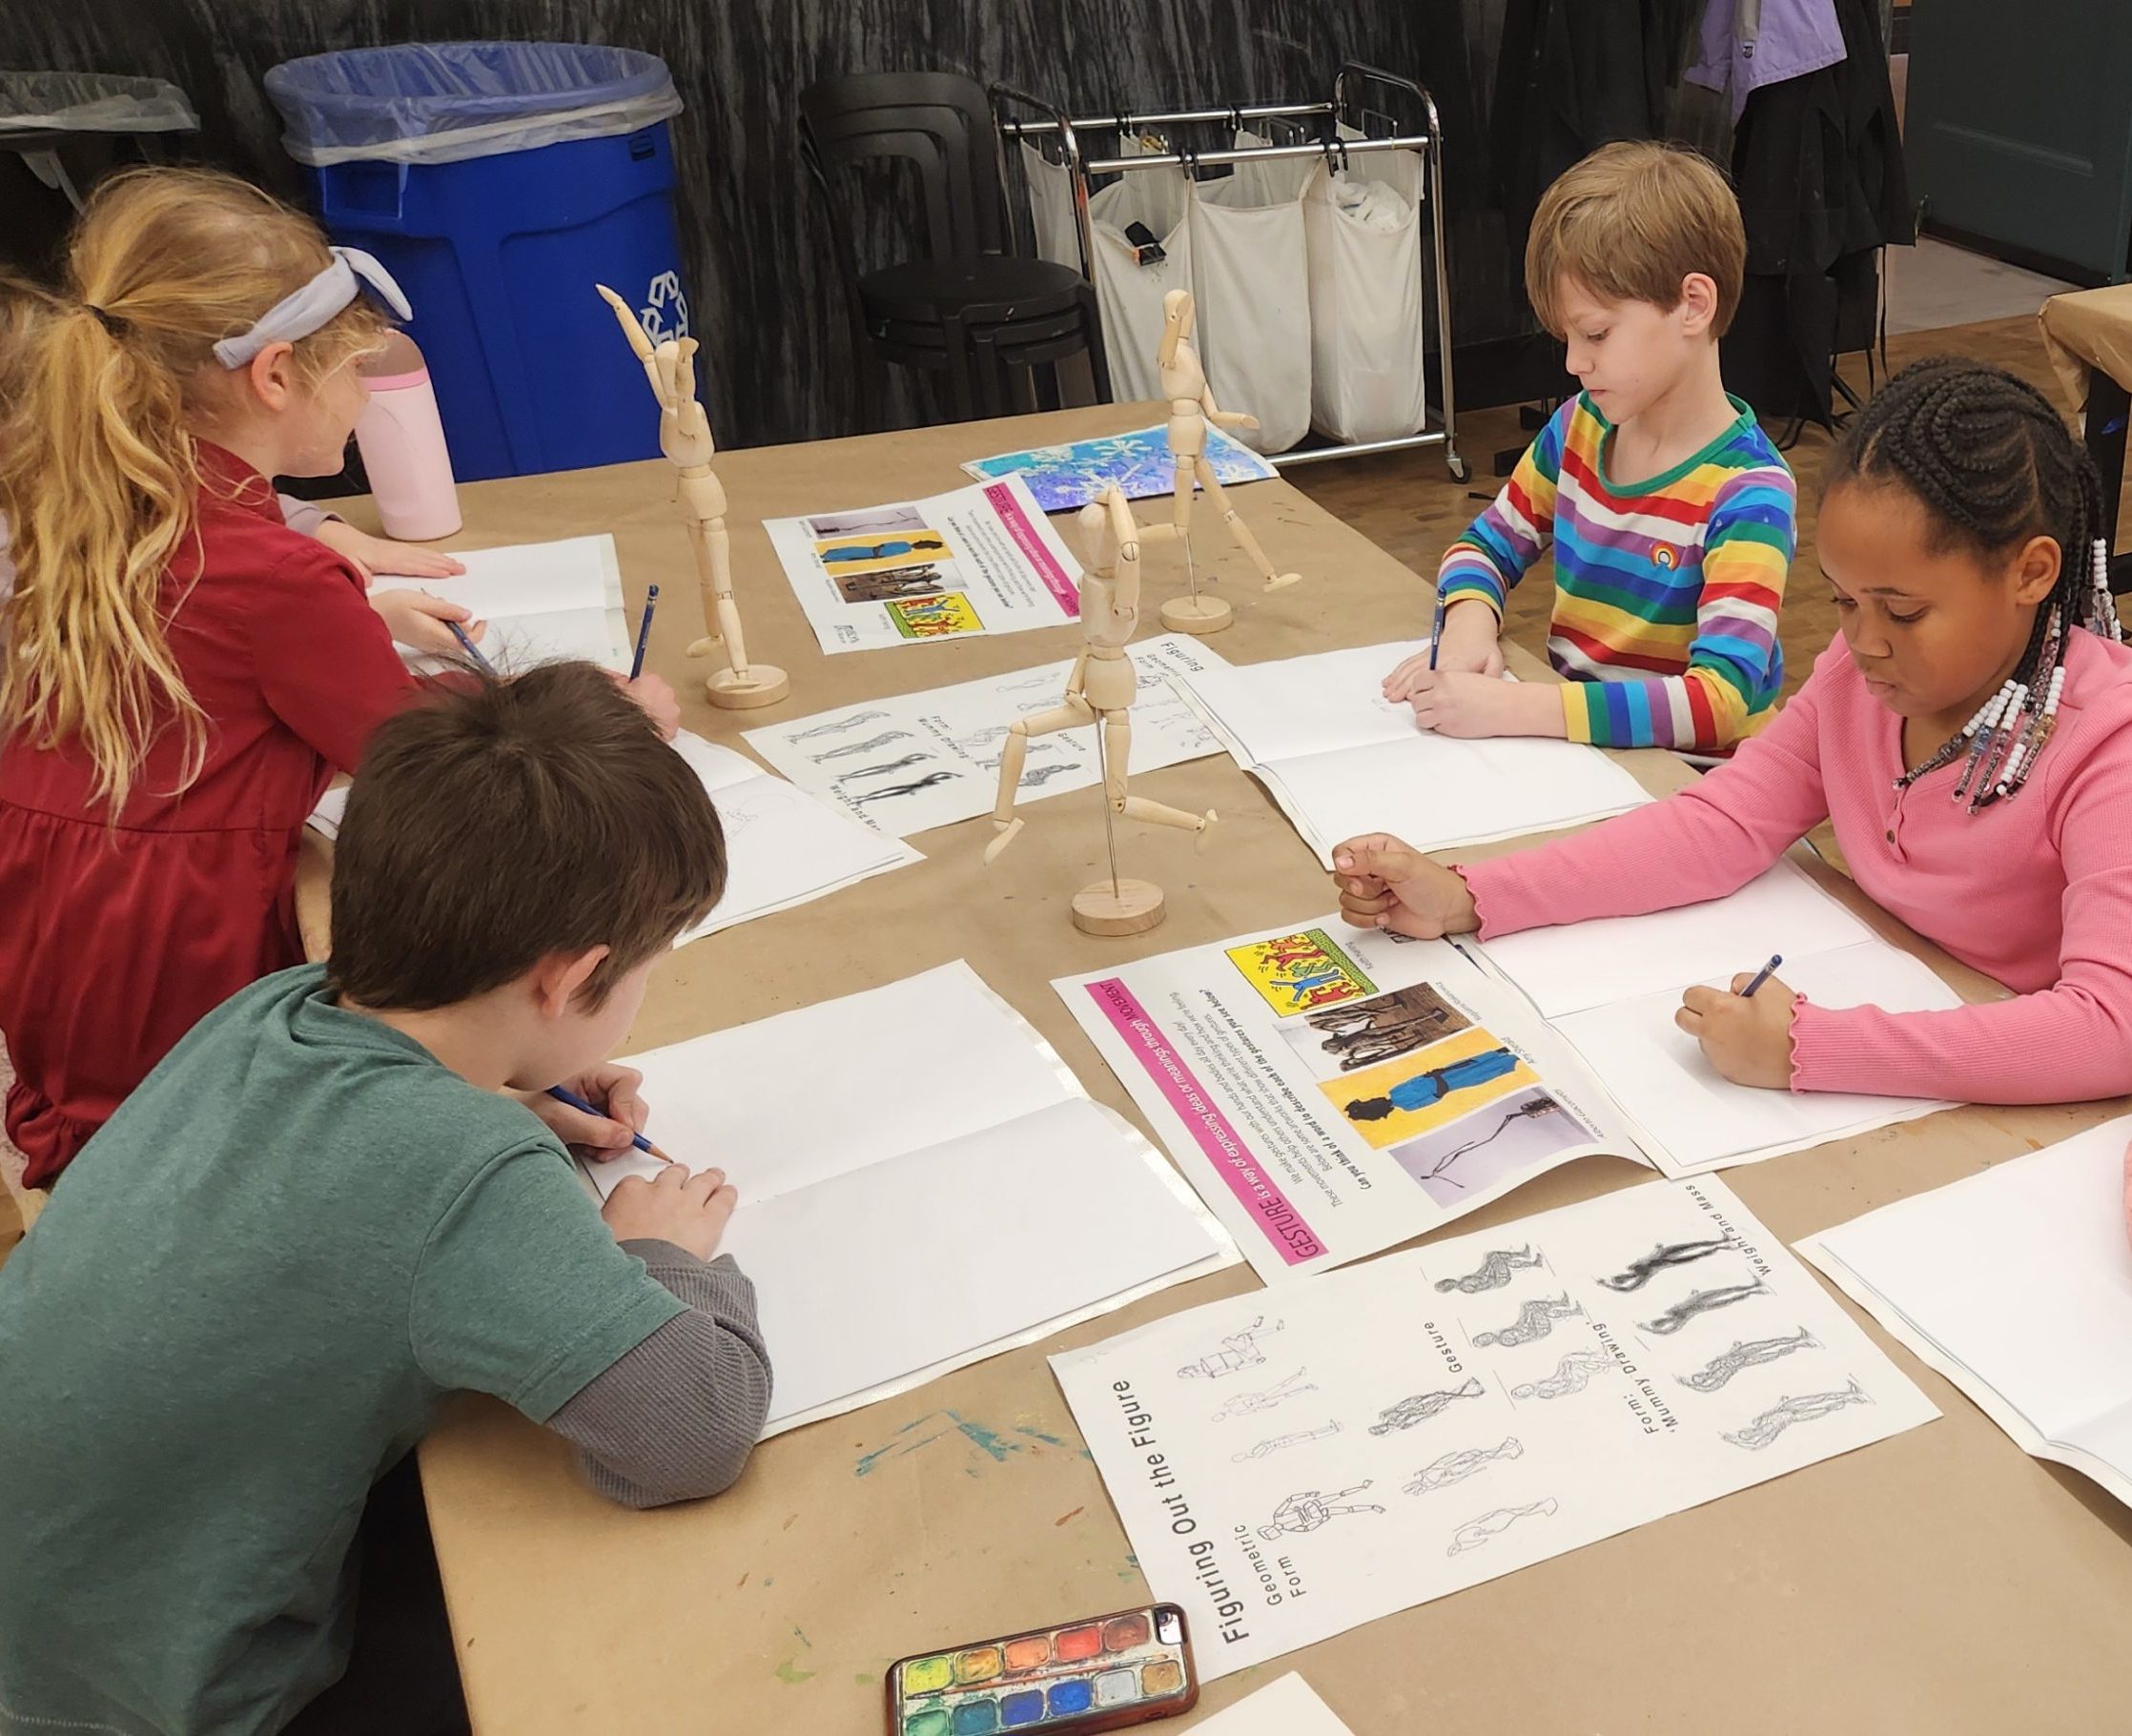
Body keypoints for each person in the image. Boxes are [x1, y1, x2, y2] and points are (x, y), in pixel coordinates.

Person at [0, 663, 769, 1735]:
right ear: (567, 977)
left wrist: (502, 1079)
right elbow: (694, 1430)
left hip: (51, 1615)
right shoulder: (466, 1178)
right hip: (170, 1695)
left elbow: (352, 1166)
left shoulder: (279, 1008)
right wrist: (659, 1256)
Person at [0, 167, 680, 1187]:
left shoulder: (91, 499)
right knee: (211, 1154)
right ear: (275, 377)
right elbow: (426, 767)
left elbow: (209, 653)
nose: (366, 397)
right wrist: (599, 719)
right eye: (356, 370)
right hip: (182, 962)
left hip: (64, 925)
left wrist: (353, 620)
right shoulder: (279, 576)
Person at [1339, 359, 2132, 1108]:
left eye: (1904, 610)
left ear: (2031, 573)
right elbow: (1720, 823)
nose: (1864, 641)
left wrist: (1814, 1047)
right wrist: (1473, 894)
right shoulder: (1859, 680)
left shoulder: (2110, 742)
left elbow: (2111, 1026)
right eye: (1845, 602)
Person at [1384, 141, 1794, 755]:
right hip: (1582, 757)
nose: (1575, 362)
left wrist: (1517, 706)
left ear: (1693, 304)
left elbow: (1717, 706)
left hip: (1697, 789)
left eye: (1597, 334)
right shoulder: (1580, 427)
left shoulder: (1749, 491)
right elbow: (1483, 546)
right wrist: (1470, 623)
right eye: (1568, 338)